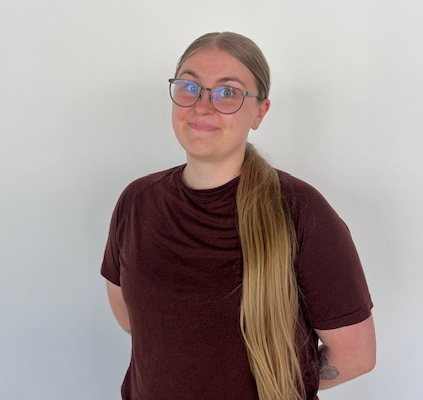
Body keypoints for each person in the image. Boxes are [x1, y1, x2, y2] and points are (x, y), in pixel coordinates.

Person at [101, 31, 376, 400]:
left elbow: (356, 356)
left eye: (227, 92)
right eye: (189, 87)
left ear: (259, 112)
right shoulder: (137, 202)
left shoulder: (301, 211)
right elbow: (132, 318)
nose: (202, 106)